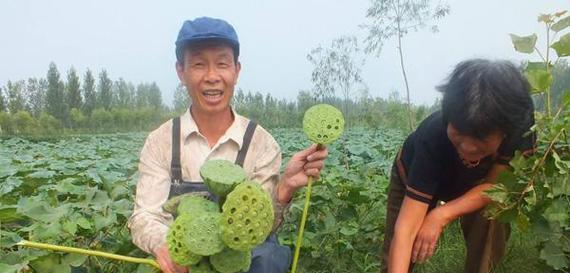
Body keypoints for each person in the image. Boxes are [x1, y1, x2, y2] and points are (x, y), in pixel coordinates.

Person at [128, 17, 328, 273]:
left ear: (236, 70)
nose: (212, 76)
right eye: (199, 64)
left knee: (268, 255)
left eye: (222, 64)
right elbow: (145, 216)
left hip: (240, 265)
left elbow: (260, 227)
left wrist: (285, 188)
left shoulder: (261, 143)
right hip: (183, 266)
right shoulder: (161, 142)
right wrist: (168, 246)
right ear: (181, 71)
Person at [381, 59, 535, 273]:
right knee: (396, 258)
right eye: (460, 133)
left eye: (481, 139)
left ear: (505, 132)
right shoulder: (432, 137)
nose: (468, 147)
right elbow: (406, 229)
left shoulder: (520, 126)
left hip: (482, 180)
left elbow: (495, 187)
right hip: (417, 174)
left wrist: (441, 215)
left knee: (493, 212)